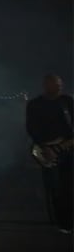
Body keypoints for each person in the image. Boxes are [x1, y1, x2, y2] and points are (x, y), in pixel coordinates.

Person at [25, 73, 73, 234]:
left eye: (60, 83)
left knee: (69, 185)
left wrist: (64, 144)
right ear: (46, 85)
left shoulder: (68, 101)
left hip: (67, 149)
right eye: (55, 84)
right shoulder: (35, 105)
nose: (59, 86)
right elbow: (31, 128)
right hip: (46, 150)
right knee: (55, 187)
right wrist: (44, 147)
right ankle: (63, 221)